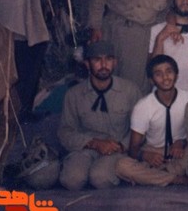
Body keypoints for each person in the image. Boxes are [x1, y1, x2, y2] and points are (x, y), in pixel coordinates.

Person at [58, 41, 141, 190]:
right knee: (72, 180)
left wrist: (122, 146)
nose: (103, 65)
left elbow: (140, 128)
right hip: (85, 148)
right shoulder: (74, 94)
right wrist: (93, 143)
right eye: (97, 59)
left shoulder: (130, 90)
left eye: (108, 59)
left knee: (100, 178)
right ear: (87, 64)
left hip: (117, 149)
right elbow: (65, 132)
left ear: (115, 62)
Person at [116, 55, 188, 186]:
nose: (165, 78)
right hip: (154, 152)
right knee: (122, 166)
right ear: (152, 80)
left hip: (180, 152)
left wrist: (181, 142)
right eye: (158, 74)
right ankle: (177, 179)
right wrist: (146, 156)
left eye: (169, 72)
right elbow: (133, 149)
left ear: (176, 75)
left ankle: (159, 176)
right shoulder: (143, 106)